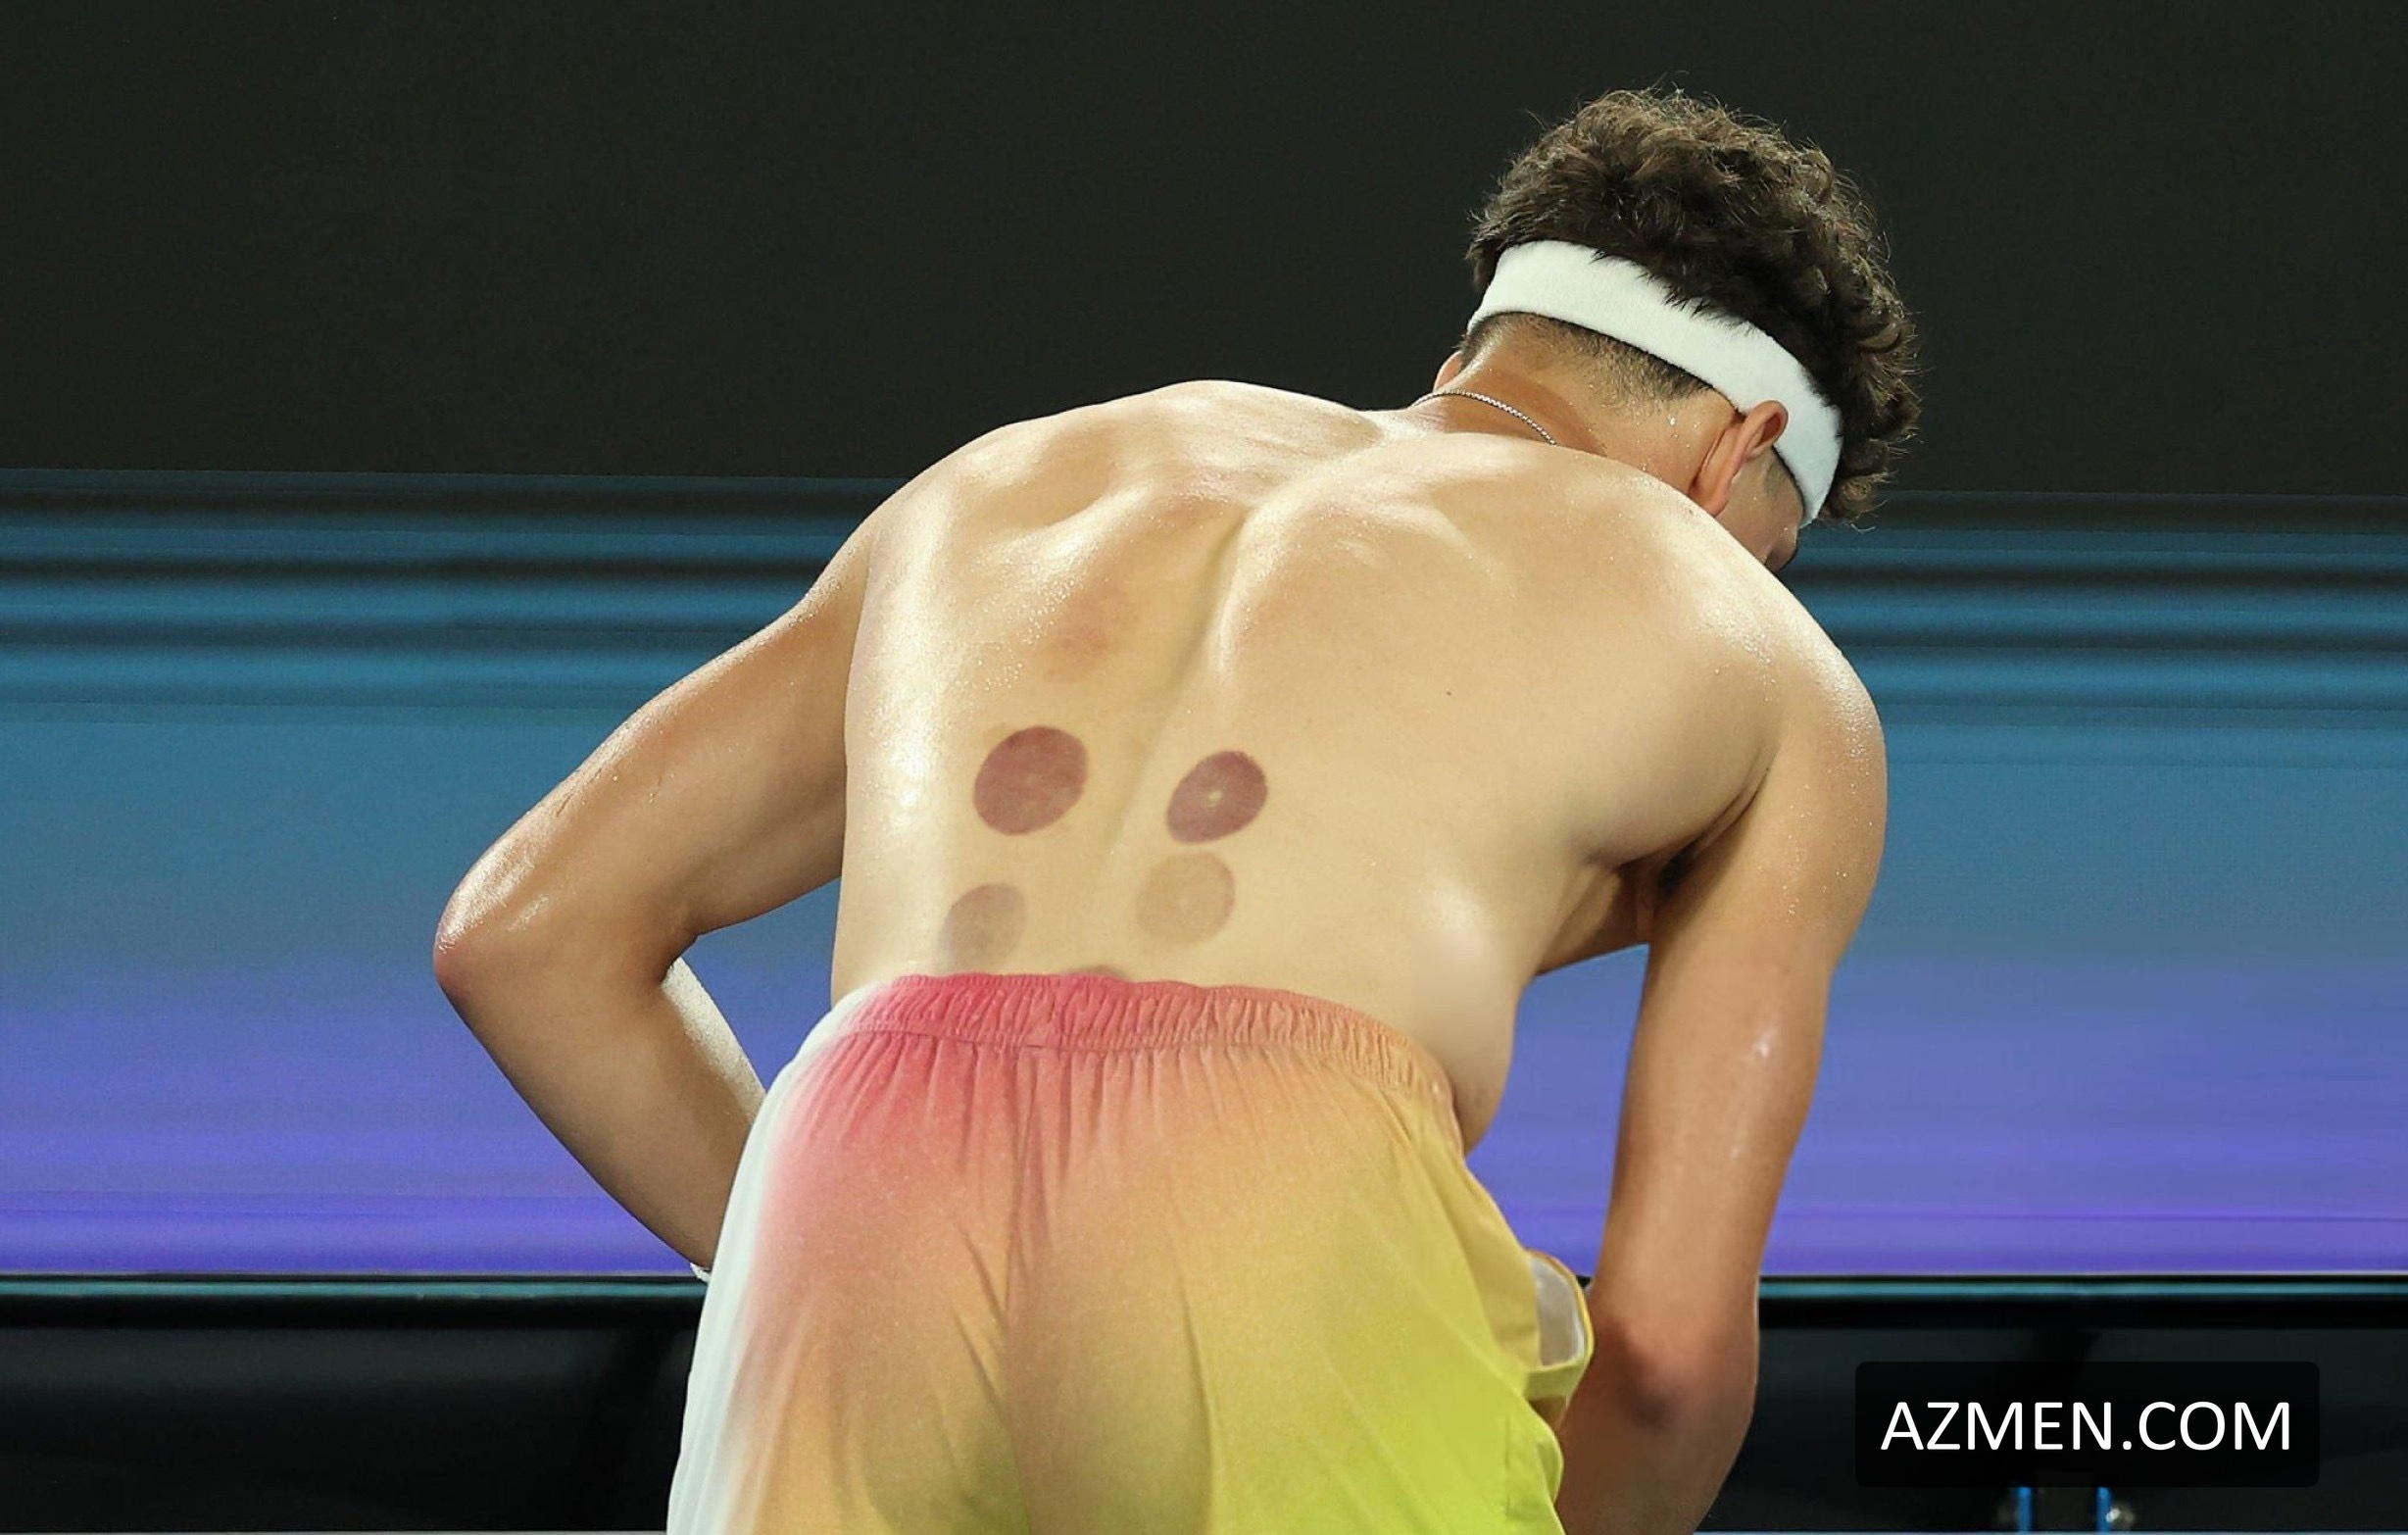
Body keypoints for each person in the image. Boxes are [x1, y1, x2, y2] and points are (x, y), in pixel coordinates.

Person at [433, 85, 1920, 1534]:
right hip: (1278, 1218)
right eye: (1774, 543)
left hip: (850, 1183)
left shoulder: (1012, 481)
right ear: (1739, 450)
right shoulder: (1752, 644)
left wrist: (836, 1259)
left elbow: (527, 935)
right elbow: (1667, 1361)